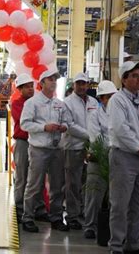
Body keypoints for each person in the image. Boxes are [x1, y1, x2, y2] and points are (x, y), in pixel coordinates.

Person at [107, 61, 139, 254]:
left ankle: (135, 245)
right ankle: (116, 246)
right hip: (124, 157)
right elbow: (121, 129)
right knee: (120, 205)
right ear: (124, 79)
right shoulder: (117, 100)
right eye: (135, 76)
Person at [20, 68, 69, 233]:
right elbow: (24, 124)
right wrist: (44, 127)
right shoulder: (32, 103)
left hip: (57, 149)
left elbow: (68, 122)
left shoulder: (59, 104)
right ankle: (27, 217)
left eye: (55, 79)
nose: (54, 82)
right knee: (34, 184)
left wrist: (64, 127)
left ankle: (56, 218)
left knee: (57, 185)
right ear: (41, 84)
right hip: (39, 149)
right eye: (50, 79)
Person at [63, 73, 99, 230]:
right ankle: (72, 216)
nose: (82, 87)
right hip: (73, 147)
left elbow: (99, 121)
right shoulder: (67, 103)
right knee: (73, 183)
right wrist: (90, 135)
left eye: (84, 84)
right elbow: (69, 126)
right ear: (73, 85)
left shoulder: (93, 102)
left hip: (92, 148)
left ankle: (86, 213)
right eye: (79, 84)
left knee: (88, 183)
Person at [83, 80, 117, 239]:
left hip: (118, 159)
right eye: (107, 97)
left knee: (114, 198)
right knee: (94, 196)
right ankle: (90, 226)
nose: (110, 100)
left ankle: (111, 228)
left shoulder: (121, 113)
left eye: (113, 96)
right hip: (99, 158)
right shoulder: (94, 115)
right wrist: (113, 147)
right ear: (101, 99)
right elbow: (96, 138)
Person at [10, 73, 47, 222]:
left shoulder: (38, 102)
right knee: (22, 177)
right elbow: (27, 121)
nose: (30, 89)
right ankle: (20, 209)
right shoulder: (17, 104)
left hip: (37, 142)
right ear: (20, 89)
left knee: (37, 178)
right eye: (27, 87)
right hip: (23, 142)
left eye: (31, 86)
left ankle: (37, 208)